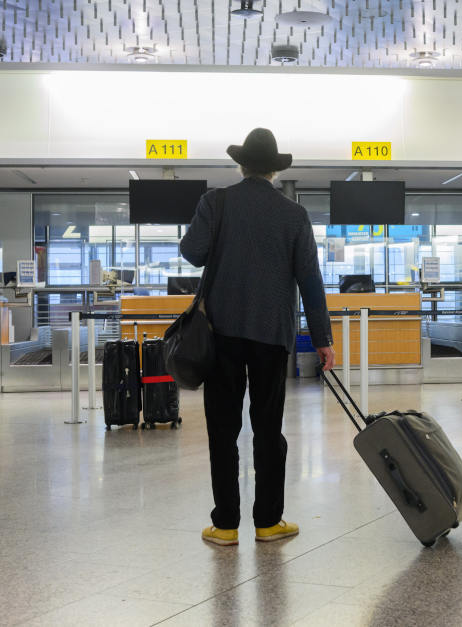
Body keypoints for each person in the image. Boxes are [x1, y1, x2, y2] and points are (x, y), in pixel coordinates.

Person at [180, 128, 335, 547]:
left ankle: (226, 524)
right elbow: (311, 281)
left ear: (241, 165)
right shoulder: (294, 215)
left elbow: (191, 252)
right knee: (269, 429)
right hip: (272, 335)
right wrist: (323, 338)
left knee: (223, 429)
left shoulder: (216, 202)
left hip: (222, 333)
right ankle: (268, 521)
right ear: (274, 170)